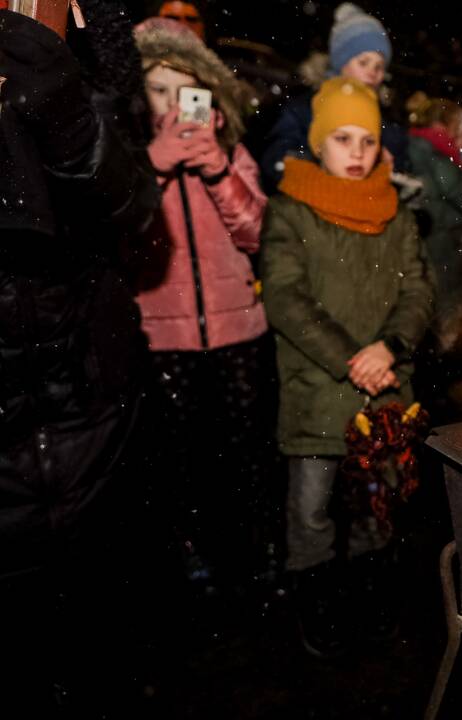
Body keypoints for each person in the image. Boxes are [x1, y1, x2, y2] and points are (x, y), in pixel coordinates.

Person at [0, 6, 160, 712]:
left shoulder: (93, 52)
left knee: (97, 636)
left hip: (90, 403)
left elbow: (129, 203)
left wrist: (61, 92)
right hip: (12, 419)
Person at [260, 77, 434, 658]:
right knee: (311, 513)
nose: (356, 153)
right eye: (342, 138)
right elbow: (285, 297)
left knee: (376, 508)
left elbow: (419, 294)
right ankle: (318, 610)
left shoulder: (397, 214)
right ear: (319, 142)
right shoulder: (290, 210)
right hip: (318, 391)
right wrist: (349, 359)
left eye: (366, 139)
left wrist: (390, 346)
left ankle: (369, 602)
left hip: (384, 392)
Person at [131, 17, 273, 595]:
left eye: (184, 88)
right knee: (180, 463)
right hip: (163, 339)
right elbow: (122, 232)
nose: (171, 102)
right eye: (158, 87)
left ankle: (250, 555)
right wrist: (155, 165)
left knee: (243, 455)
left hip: (238, 329)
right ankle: (192, 560)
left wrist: (215, 166)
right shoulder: (127, 157)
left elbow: (257, 232)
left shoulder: (230, 148)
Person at [260, 2, 409, 187]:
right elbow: (277, 159)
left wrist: (387, 170)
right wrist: (318, 166)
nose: (373, 72)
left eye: (379, 66)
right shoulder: (306, 107)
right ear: (341, 63)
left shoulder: (385, 117)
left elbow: (400, 163)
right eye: (364, 63)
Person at [406, 95, 462, 347]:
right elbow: (455, 191)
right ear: (444, 123)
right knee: (444, 298)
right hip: (441, 236)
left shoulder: (416, 143)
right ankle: (442, 355)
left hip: (431, 231)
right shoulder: (435, 147)